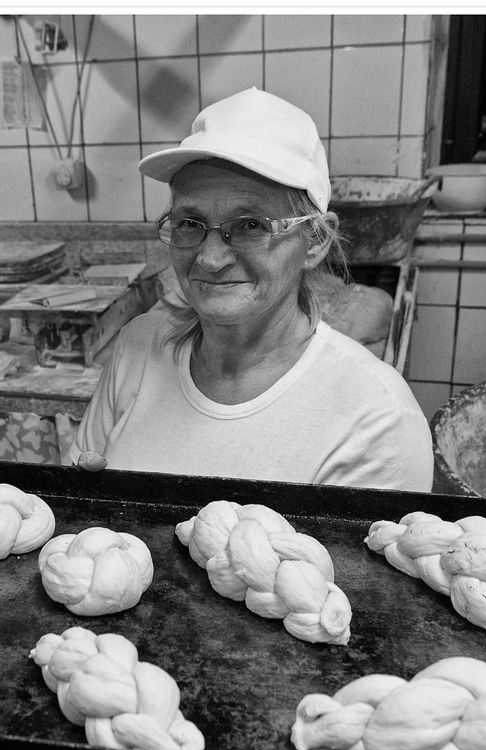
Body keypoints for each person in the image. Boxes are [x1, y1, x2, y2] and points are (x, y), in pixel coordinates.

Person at [67, 87, 433, 491]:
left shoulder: (375, 418)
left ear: (314, 242)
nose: (210, 258)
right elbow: (77, 512)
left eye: (251, 225)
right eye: (189, 222)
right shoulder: (137, 350)